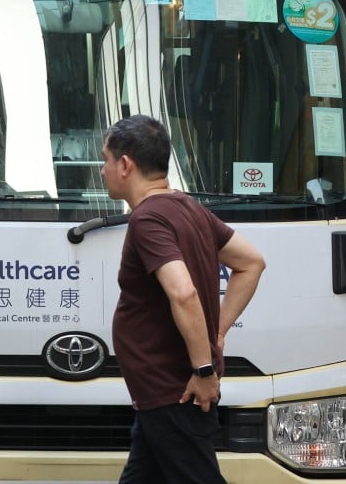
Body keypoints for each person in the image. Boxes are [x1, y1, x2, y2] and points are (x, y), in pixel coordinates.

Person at [100, 114, 266, 484]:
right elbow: (251, 263)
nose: (102, 169)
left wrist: (203, 369)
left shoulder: (147, 219)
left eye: (106, 159)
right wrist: (217, 333)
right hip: (163, 390)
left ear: (125, 164)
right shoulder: (188, 207)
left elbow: (183, 291)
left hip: (173, 387)